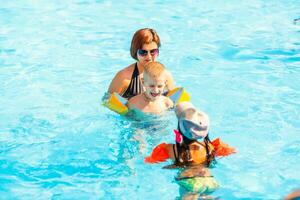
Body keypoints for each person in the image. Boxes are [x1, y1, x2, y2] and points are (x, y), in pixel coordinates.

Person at [144, 102, 236, 197]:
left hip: (188, 180)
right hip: (209, 180)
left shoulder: (171, 149)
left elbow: (150, 161)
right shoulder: (211, 147)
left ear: (180, 128)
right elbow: (230, 151)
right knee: (206, 197)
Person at [107, 28, 175, 99]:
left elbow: (174, 101)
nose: (149, 57)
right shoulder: (124, 77)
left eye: (153, 51)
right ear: (135, 52)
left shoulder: (165, 75)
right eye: (143, 52)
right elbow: (107, 101)